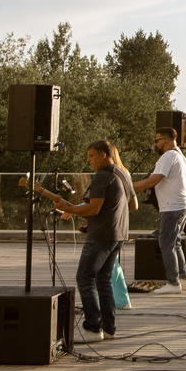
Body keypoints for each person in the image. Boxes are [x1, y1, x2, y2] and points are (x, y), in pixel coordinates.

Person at [36, 141, 130, 346]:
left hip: (101, 236)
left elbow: (94, 209)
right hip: (119, 234)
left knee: (85, 278)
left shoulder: (102, 176)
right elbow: (132, 204)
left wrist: (71, 209)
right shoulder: (123, 174)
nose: (88, 160)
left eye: (91, 155)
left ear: (104, 155)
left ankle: (93, 327)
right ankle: (109, 327)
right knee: (103, 280)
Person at [131, 128, 186, 292]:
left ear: (165, 141)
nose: (155, 144)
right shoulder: (179, 155)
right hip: (181, 205)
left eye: (157, 141)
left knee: (166, 243)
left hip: (172, 208)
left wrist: (129, 186)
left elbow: (153, 180)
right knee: (175, 242)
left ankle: (173, 283)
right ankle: (184, 277)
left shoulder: (168, 156)